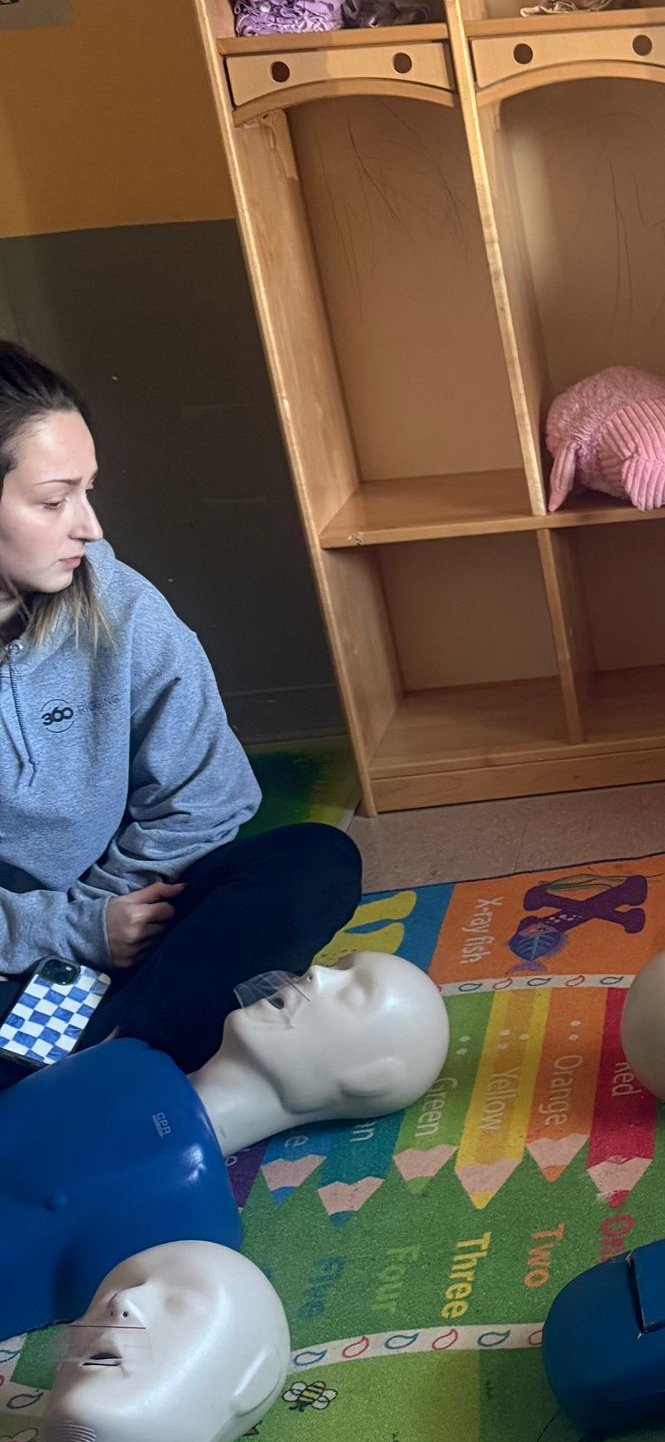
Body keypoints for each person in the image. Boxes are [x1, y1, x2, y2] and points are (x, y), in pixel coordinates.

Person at [0, 341, 361, 1086]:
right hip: (20, 949)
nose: (90, 527)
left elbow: (208, 794)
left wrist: (111, 919)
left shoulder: (116, 599)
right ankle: (137, 1053)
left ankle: (108, 1055)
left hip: (137, 919)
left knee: (315, 863)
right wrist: (73, 931)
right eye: (54, 501)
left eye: (88, 491)